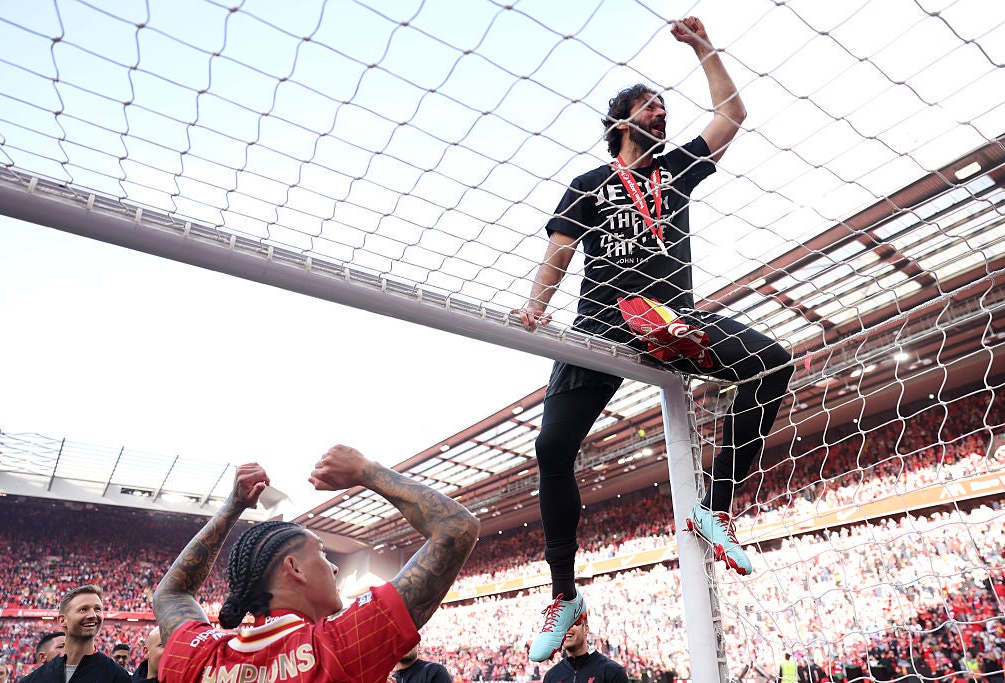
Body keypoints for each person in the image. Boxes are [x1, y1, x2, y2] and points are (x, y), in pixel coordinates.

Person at [514, 15, 793, 661]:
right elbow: (559, 251)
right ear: (620, 121)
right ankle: (565, 593)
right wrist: (536, 306)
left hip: (672, 321)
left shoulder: (676, 170)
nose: (662, 113)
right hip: (601, 328)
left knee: (771, 362)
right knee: (552, 445)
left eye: (665, 107)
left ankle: (714, 506)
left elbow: (732, 114)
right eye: (649, 105)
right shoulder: (588, 185)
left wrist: (704, 49)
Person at [153, 446, 479, 683]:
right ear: (294, 568)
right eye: (322, 553)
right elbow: (456, 528)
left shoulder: (199, 657)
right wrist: (367, 471)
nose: (334, 567)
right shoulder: (338, 647)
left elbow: (172, 594)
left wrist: (232, 506)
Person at [17, 585, 131, 682]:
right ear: (62, 620)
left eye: (97, 609)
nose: (93, 615)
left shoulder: (117, 676)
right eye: (83, 609)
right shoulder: (33, 680)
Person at [541, 615, 627, 683]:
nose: (566, 629)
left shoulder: (612, 672)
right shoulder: (551, 676)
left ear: (586, 629)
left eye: (572, 622)